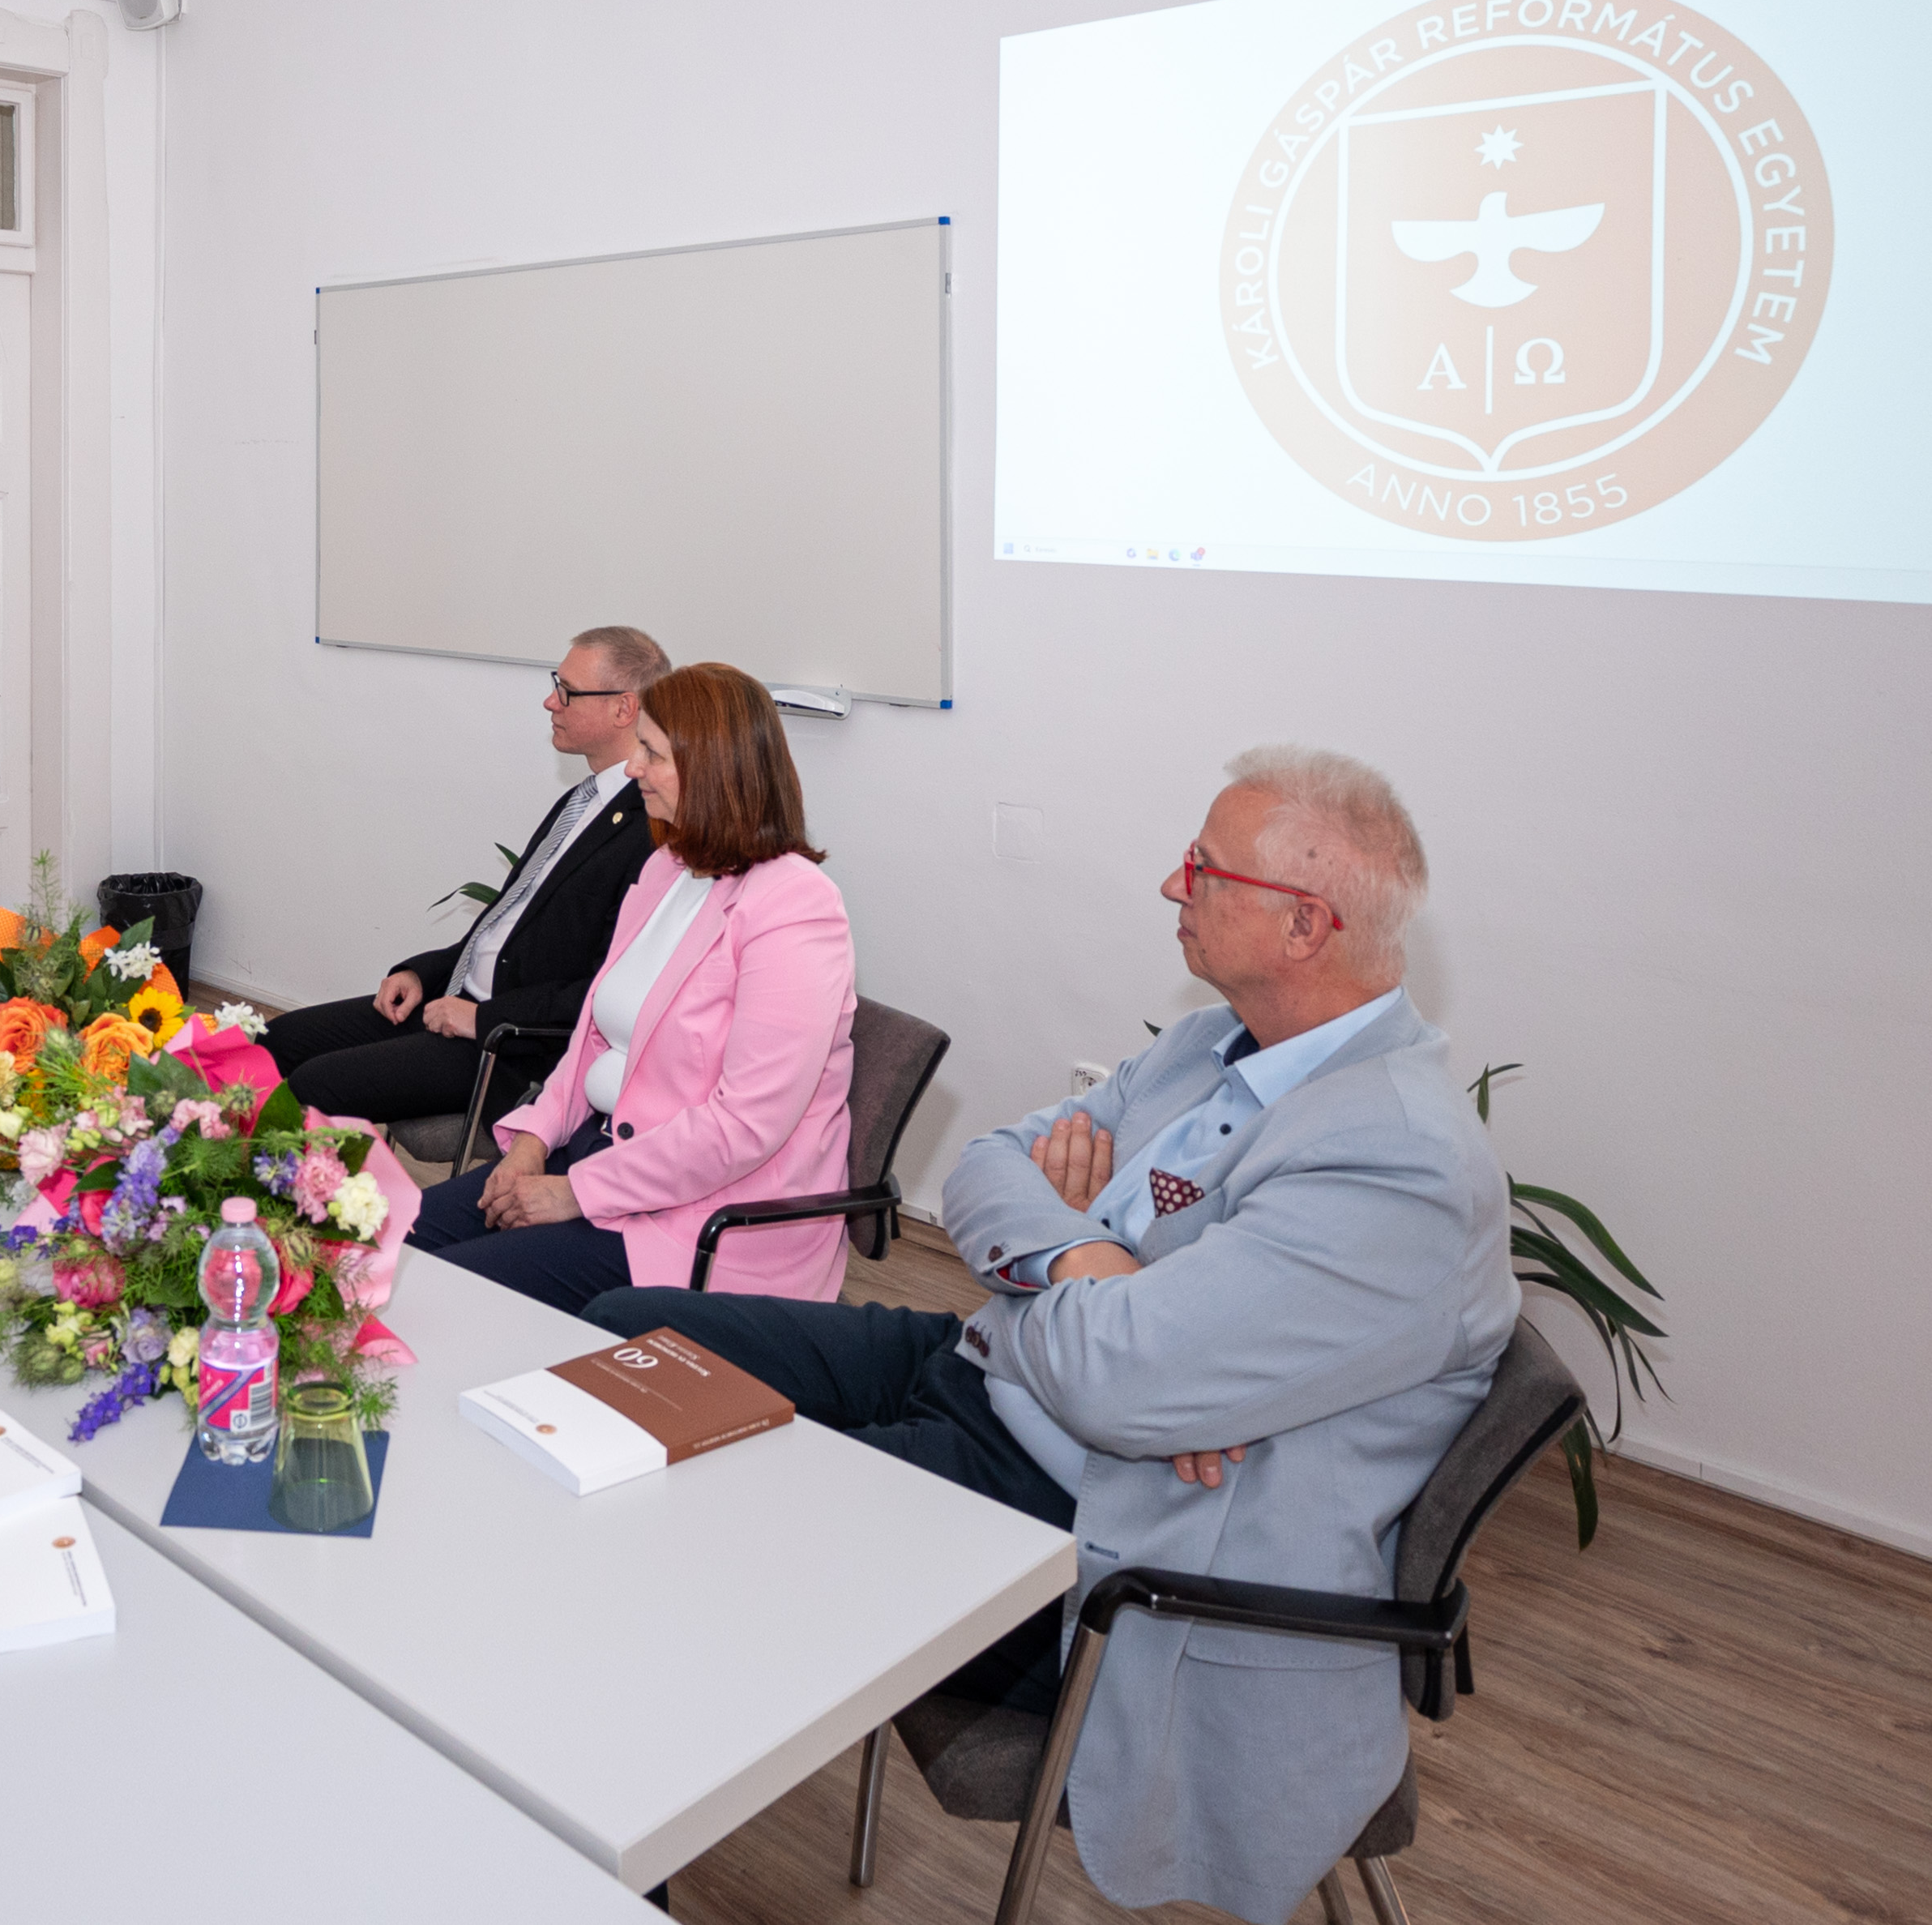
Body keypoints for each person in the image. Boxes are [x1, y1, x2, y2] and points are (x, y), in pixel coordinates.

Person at [587, 747, 1517, 1925]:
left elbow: (1117, 1383)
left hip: (1097, 1536)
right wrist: (1089, 1266)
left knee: (681, 1526)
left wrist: (1071, 1290)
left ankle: (587, 1869)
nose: (1171, 884)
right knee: (624, 1342)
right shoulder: (1206, 1043)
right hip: (984, 1378)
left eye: (1203, 868)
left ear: (1304, 924)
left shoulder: (1398, 1164)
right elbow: (983, 1171)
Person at [405, 661, 857, 1311]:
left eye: (652, 752)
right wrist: (531, 1144)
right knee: (389, 1243)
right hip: (599, 1155)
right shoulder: (666, 871)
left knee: (437, 1296)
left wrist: (576, 1191)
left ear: (715, 768)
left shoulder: (795, 905)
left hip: (701, 1215)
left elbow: (743, 1127)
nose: (634, 767)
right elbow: (590, 1040)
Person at [259, 625, 665, 1124]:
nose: (550, 702)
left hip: (510, 1044)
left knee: (314, 1085)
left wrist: (482, 1018)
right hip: (455, 1000)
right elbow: (507, 927)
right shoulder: (584, 801)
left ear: (623, 709)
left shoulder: (650, 831)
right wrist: (422, 973)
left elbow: (606, 990)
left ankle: (290, 1173)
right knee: (275, 1041)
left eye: (567, 691)